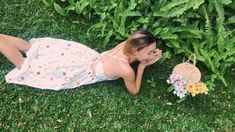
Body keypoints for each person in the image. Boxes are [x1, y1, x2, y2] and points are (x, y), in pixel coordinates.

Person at [0, 29, 162, 95]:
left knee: (32, 47)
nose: (151, 55)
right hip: (82, 70)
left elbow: (132, 55)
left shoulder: (126, 44)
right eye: (149, 52)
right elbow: (134, 91)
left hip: (84, 57)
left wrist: (148, 55)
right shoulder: (125, 69)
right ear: (135, 51)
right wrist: (142, 66)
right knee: (26, 65)